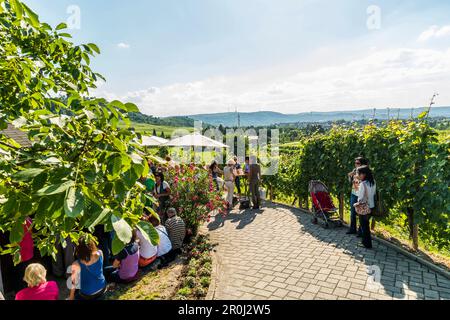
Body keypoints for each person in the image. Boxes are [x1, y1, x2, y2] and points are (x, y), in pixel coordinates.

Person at [354, 165, 376, 249]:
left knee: (364, 226)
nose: (358, 176)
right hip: (371, 206)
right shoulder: (373, 181)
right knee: (366, 225)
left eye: (359, 174)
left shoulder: (362, 184)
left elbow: (360, 196)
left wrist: (356, 188)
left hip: (364, 206)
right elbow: (373, 193)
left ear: (364, 174)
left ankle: (367, 244)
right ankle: (365, 242)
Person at [347, 157, 369, 235]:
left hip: (361, 194)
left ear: (362, 164)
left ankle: (361, 231)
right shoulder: (354, 170)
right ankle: (352, 229)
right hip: (354, 193)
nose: (356, 165)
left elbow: (365, 183)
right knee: (353, 212)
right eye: (355, 163)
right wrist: (350, 176)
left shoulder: (365, 172)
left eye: (358, 163)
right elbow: (351, 182)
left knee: (361, 213)